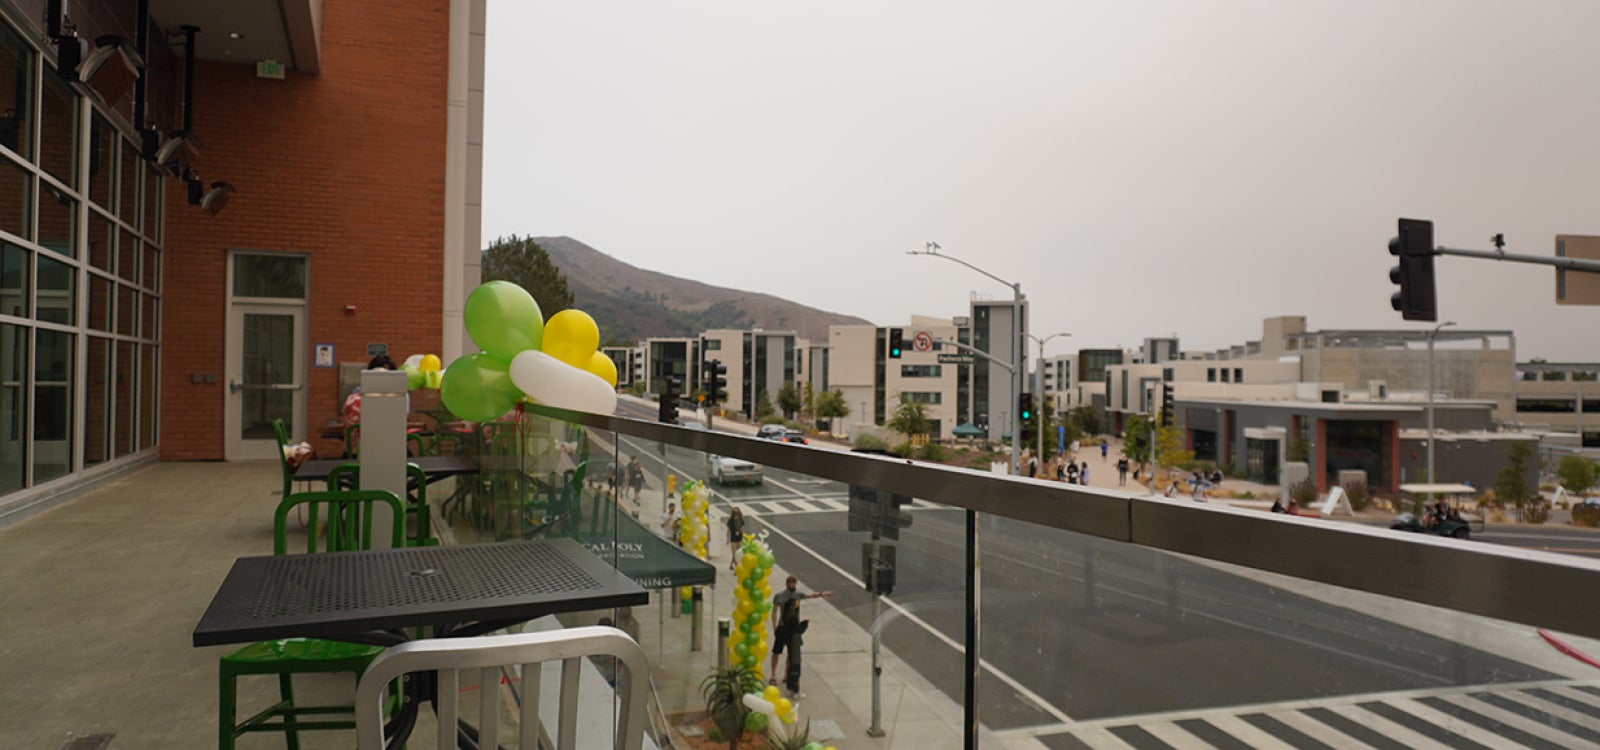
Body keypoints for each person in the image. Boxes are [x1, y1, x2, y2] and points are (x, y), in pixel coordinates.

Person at [770, 576, 831, 698]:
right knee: (777, 651)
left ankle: (787, 675)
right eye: (791, 584)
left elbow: (809, 596)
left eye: (794, 584)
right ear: (787, 584)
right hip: (782, 627)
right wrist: (775, 626)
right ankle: (773, 675)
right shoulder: (779, 596)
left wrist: (821, 594)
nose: (793, 586)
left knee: (791, 653)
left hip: (793, 628)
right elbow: (774, 611)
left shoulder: (798, 594)